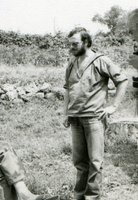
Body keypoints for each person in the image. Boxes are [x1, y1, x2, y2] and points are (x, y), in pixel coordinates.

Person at [63, 27, 128, 200]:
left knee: (95, 162)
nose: (72, 47)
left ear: (86, 42)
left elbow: (122, 81)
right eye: (70, 44)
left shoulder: (101, 60)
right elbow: (68, 89)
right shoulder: (71, 62)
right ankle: (79, 196)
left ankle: (92, 198)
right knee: (79, 162)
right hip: (75, 118)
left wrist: (113, 106)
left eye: (75, 44)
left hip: (94, 119)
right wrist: (65, 113)